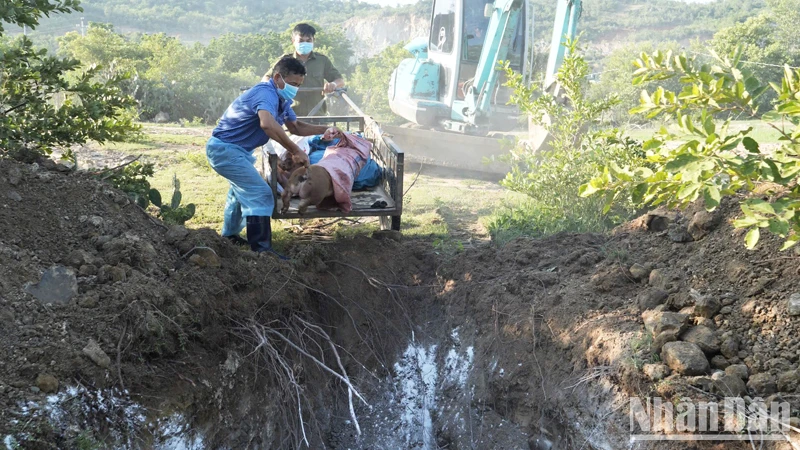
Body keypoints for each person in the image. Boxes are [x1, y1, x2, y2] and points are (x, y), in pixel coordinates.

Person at [207, 56, 340, 255]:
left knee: (239, 191)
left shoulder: (282, 99)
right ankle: (262, 251)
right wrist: (295, 150)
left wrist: (324, 129)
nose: (295, 89)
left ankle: (230, 236)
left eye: (299, 85)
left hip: (237, 151)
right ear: (278, 77)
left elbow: (295, 126)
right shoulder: (265, 92)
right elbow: (267, 124)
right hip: (225, 151)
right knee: (260, 194)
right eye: (293, 83)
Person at [262, 23, 345, 116]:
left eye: (308, 40)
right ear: (293, 41)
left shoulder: (322, 61)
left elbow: (340, 81)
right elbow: (266, 78)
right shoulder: (286, 60)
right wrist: (275, 88)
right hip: (290, 118)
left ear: (314, 41)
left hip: (318, 117)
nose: (305, 44)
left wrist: (333, 84)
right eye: (301, 41)